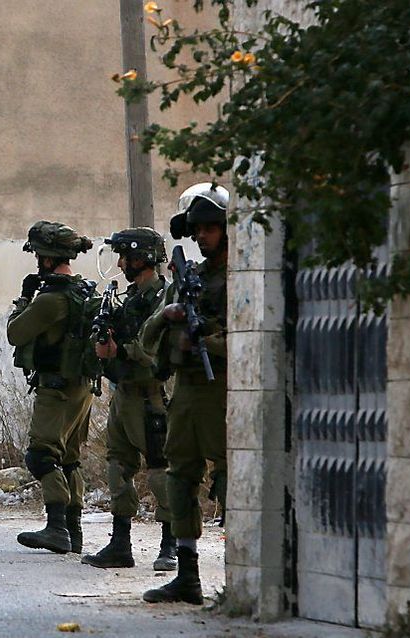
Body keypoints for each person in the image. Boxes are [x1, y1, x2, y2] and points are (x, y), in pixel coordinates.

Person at [139, 183, 230, 604]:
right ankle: (187, 574)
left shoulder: (240, 278)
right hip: (188, 392)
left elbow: (249, 340)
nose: (201, 237)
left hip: (223, 390)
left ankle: (240, 573)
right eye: (197, 230)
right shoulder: (186, 282)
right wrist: (168, 314)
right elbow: (146, 340)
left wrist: (205, 342)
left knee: (230, 478)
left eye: (210, 228)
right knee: (180, 479)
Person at [82, 227, 177, 571]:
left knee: (159, 469)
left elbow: (152, 348)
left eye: (125, 256)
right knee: (118, 465)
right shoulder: (131, 298)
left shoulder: (163, 299)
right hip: (123, 393)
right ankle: (120, 542)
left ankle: (171, 544)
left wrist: (118, 348)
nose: (120, 263)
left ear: (143, 257)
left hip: (151, 396)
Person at [7, 220, 96, 554]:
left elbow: (15, 332)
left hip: (55, 389)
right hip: (82, 388)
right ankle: (74, 530)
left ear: (46, 259)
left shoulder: (50, 300)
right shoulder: (83, 290)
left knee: (42, 456)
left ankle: (57, 527)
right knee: (70, 459)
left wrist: (25, 297)